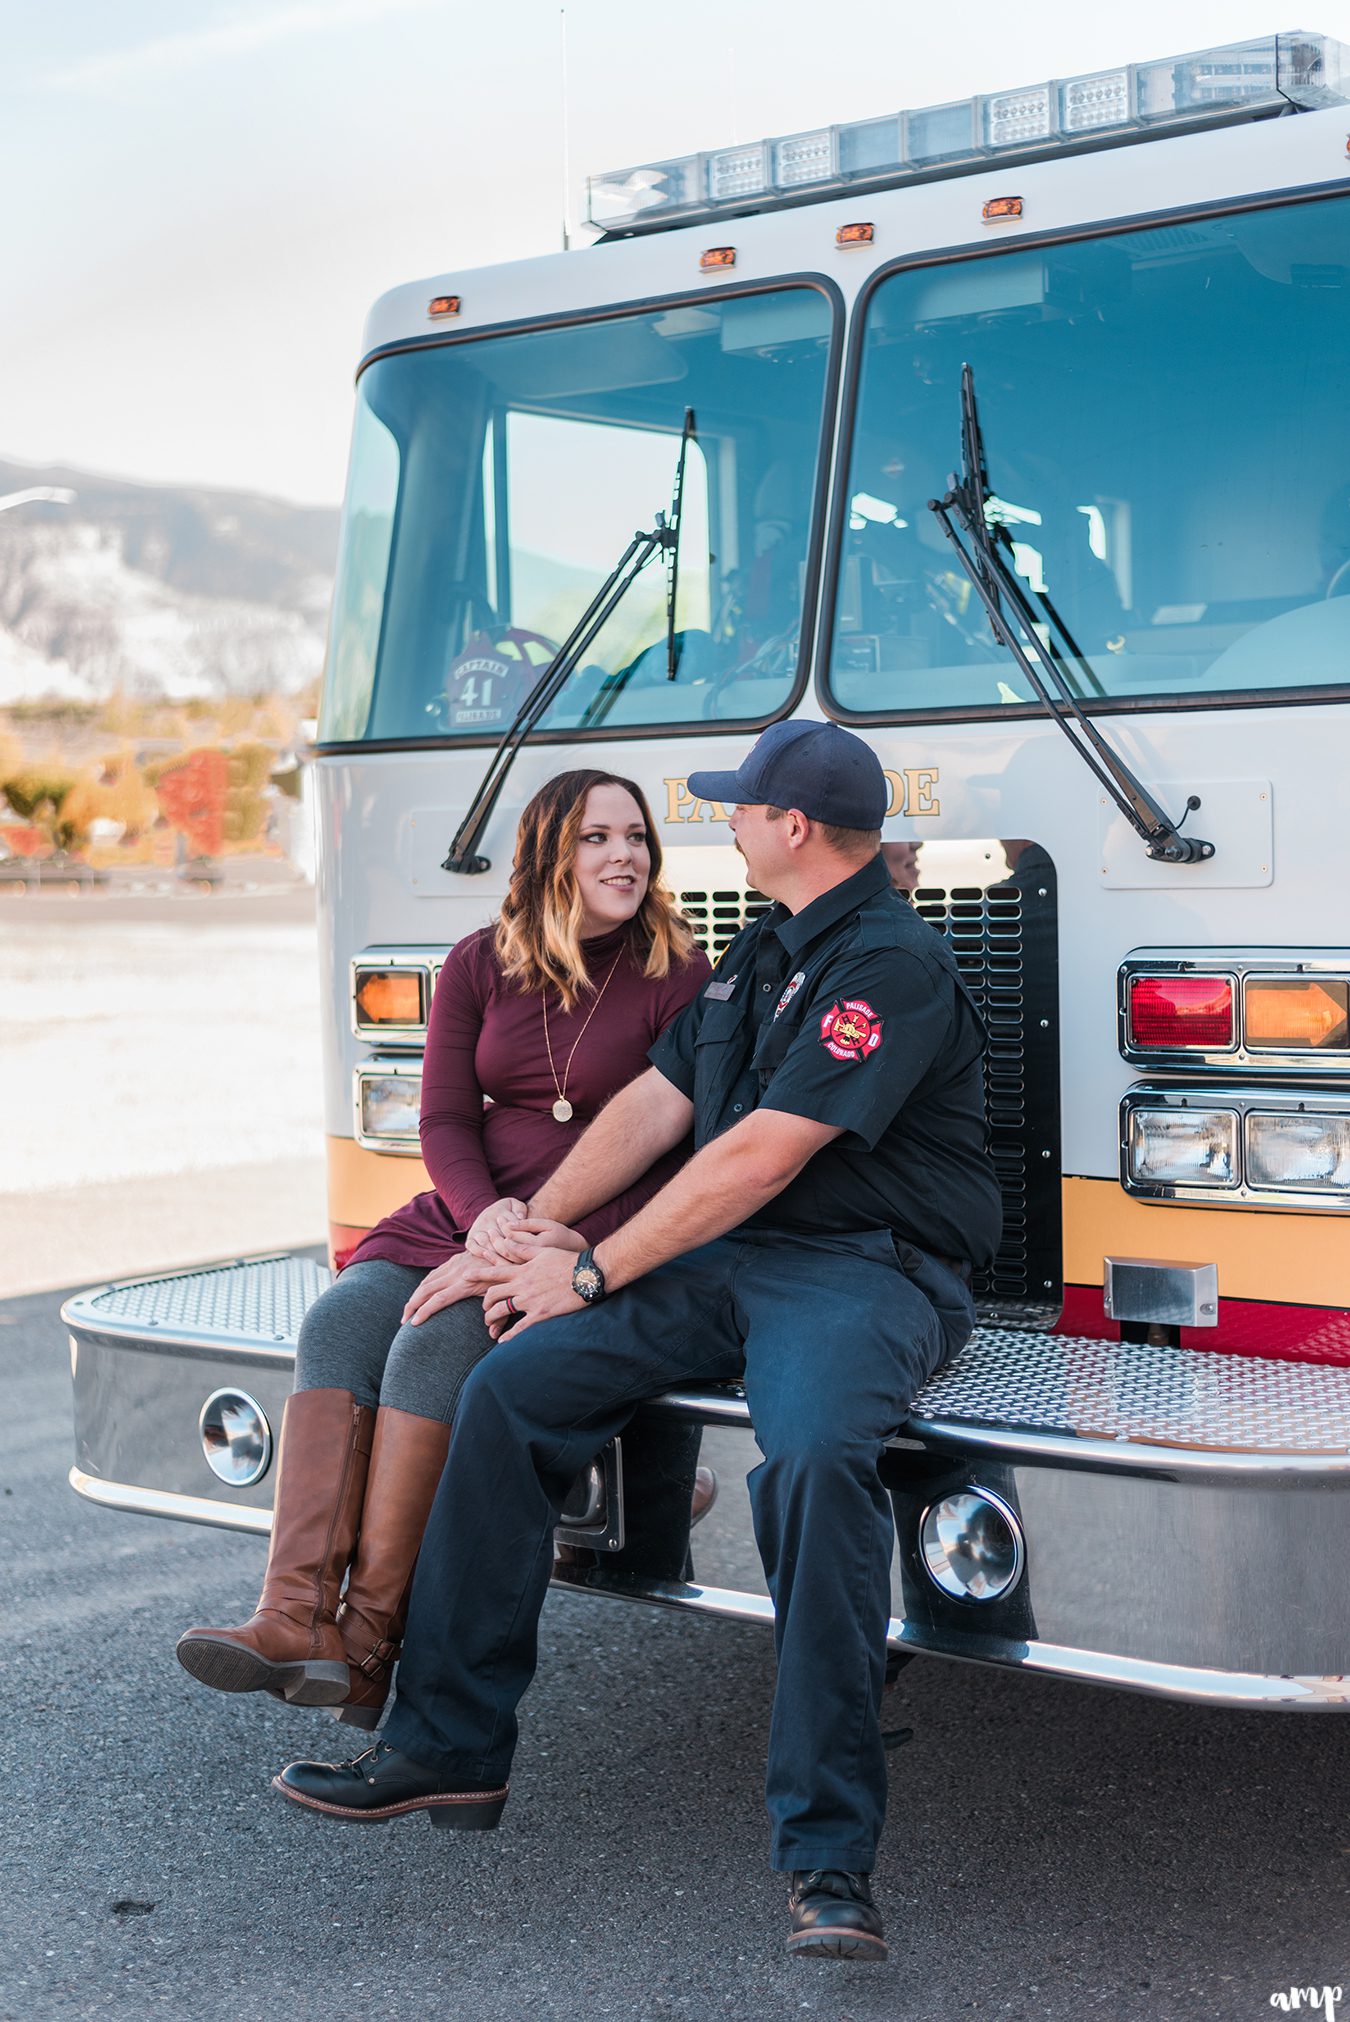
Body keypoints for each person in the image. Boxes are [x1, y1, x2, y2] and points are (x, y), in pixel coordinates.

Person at [271, 721, 1003, 1965]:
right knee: (510, 1391)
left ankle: (828, 1858)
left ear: (791, 829)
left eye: (740, 807)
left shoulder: (893, 966)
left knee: (819, 1465)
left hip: (862, 1273)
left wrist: (600, 1268)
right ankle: (448, 1748)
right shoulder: (758, 957)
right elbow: (653, 1109)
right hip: (734, 1262)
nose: (720, 821)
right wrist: (516, 1242)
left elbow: (763, 1152)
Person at [176, 768, 712, 1727]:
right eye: (598, 838)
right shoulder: (480, 961)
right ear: (551, 851)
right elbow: (444, 1117)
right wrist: (479, 1220)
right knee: (342, 1319)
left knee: (431, 1342)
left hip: (588, 1232)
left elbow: (678, 1141)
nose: (625, 855)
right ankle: (294, 1613)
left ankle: (372, 1642)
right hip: (471, 1217)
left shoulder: (679, 970)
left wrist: (539, 1240)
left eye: (636, 837)